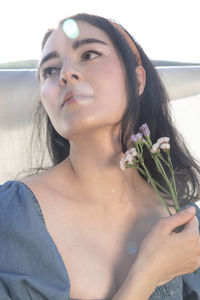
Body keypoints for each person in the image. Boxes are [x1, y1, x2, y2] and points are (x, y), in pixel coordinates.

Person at [0, 12, 200, 300]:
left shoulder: (182, 219)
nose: (66, 74)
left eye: (89, 54)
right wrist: (148, 274)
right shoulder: (11, 218)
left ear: (137, 80)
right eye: (49, 71)